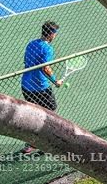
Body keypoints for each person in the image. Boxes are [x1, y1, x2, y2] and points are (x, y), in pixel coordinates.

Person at [20, 21, 63, 154]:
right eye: (55, 34)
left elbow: (27, 61)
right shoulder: (47, 48)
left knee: (34, 113)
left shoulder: (31, 43)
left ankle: (31, 144)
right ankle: (47, 140)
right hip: (40, 87)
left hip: (26, 85)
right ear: (51, 34)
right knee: (51, 112)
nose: (55, 36)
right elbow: (45, 68)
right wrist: (55, 81)